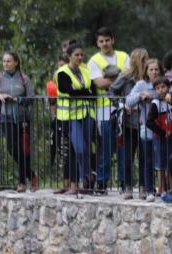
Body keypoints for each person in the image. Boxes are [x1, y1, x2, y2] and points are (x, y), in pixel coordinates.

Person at [0, 51, 35, 192]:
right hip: (5, 118)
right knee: (12, 149)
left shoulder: (24, 78)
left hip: (22, 119)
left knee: (23, 150)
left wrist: (18, 100)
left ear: (16, 62)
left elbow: (31, 98)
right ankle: (31, 175)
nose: (5, 64)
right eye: (4, 61)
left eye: (8, 61)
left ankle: (21, 183)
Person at [88, 27, 129, 193]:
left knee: (123, 147)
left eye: (107, 40)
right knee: (106, 146)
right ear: (97, 43)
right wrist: (120, 76)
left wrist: (111, 77)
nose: (104, 43)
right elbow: (99, 83)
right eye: (101, 41)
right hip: (104, 108)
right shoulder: (94, 60)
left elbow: (130, 75)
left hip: (123, 107)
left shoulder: (124, 56)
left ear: (113, 40)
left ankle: (123, 182)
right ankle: (102, 183)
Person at [55, 42, 97, 195]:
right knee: (79, 149)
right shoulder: (62, 72)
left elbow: (93, 93)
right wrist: (84, 91)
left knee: (86, 149)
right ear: (69, 56)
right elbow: (67, 90)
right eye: (76, 55)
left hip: (87, 115)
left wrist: (80, 91)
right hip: (70, 117)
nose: (80, 57)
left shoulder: (86, 71)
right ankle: (88, 176)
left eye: (81, 54)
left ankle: (84, 182)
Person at [109, 48, 149, 199]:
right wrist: (122, 105)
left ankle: (144, 187)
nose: (146, 62)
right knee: (128, 156)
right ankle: (128, 187)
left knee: (145, 156)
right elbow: (111, 91)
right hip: (128, 123)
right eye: (144, 59)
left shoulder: (149, 77)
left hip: (145, 121)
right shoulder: (126, 76)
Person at [127, 58, 164, 200]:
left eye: (156, 69)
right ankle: (149, 190)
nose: (154, 72)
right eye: (151, 70)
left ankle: (165, 189)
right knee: (147, 160)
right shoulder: (141, 84)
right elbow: (129, 101)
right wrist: (141, 95)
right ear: (146, 72)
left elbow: (170, 95)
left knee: (162, 161)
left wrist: (156, 95)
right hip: (147, 129)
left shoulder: (164, 83)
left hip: (163, 128)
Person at [146, 76, 172, 196]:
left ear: (168, 88)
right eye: (158, 88)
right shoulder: (155, 104)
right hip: (160, 137)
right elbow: (148, 122)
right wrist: (162, 132)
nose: (161, 90)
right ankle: (161, 188)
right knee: (160, 163)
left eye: (163, 87)